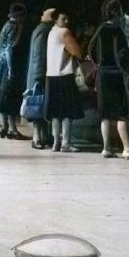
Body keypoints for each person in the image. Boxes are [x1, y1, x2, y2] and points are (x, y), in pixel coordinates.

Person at [86, 0, 129, 158]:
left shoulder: (100, 29)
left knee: (105, 113)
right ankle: (127, 148)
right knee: (122, 112)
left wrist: (98, 64)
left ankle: (106, 148)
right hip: (116, 74)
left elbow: (91, 49)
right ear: (116, 12)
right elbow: (123, 54)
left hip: (102, 75)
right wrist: (126, 67)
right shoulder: (117, 30)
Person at [44, 10, 84, 152]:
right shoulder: (64, 32)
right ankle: (65, 143)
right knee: (67, 112)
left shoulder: (51, 32)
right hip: (64, 75)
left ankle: (56, 142)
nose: (67, 21)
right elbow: (77, 52)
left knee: (56, 113)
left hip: (51, 75)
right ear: (56, 19)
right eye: (64, 18)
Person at [0, 2, 31, 139]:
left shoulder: (6, 25)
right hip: (8, 63)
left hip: (0, 60)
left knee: (2, 94)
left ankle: (5, 126)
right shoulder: (15, 27)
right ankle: (12, 129)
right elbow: (10, 47)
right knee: (9, 94)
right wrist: (10, 69)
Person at [23, 6, 56, 149]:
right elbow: (40, 54)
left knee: (40, 106)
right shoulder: (45, 30)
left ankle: (43, 136)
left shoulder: (40, 29)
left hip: (37, 73)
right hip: (40, 74)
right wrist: (40, 75)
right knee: (38, 104)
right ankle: (37, 137)